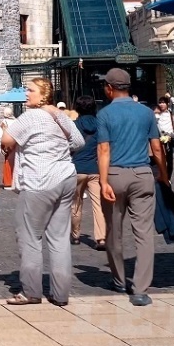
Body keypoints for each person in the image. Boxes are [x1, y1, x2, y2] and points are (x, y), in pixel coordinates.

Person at [1, 78, 84, 306]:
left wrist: (11, 133)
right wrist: (57, 149)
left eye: (30, 90)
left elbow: (6, 140)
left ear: (43, 94)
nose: (26, 94)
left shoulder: (29, 117)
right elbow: (78, 142)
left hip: (39, 180)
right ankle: (61, 294)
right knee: (59, 238)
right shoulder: (60, 115)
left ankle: (31, 291)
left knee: (30, 236)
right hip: (65, 176)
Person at [97, 68, 169, 307]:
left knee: (113, 229)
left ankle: (119, 279)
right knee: (144, 233)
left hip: (115, 174)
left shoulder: (105, 114)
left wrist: (103, 181)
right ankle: (140, 289)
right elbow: (157, 148)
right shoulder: (146, 112)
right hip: (142, 174)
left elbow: (104, 150)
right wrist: (164, 175)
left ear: (109, 88)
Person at [70, 96, 106, 250]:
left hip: (77, 167)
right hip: (95, 168)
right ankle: (101, 238)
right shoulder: (100, 124)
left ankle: (75, 235)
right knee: (99, 205)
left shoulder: (73, 125)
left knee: (76, 203)